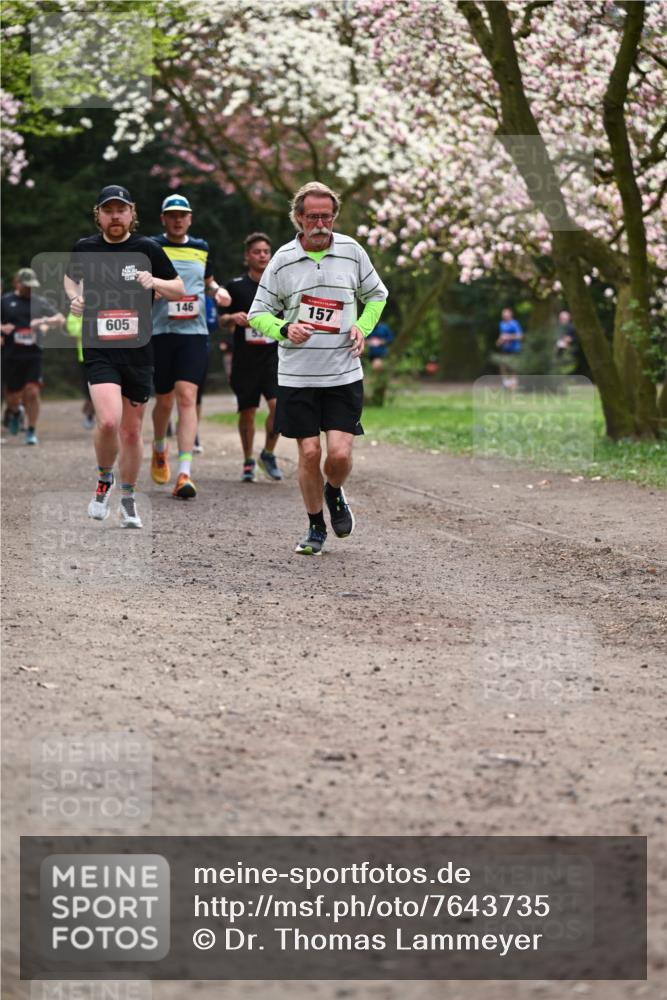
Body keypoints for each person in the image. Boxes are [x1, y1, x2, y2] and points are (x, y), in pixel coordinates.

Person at [248, 181, 389, 554]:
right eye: (313, 217)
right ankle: (315, 527)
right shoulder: (282, 260)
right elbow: (257, 314)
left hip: (343, 371)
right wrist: (283, 328)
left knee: (339, 456)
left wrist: (362, 326)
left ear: (334, 217)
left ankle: (334, 490)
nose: (320, 223)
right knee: (309, 453)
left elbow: (376, 294)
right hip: (297, 375)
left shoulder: (351, 252)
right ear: (298, 218)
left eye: (327, 216)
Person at [64, 184, 185, 528]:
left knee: (132, 433)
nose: (115, 216)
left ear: (131, 213)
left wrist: (154, 282)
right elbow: (69, 280)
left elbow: (178, 288)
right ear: (98, 215)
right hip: (99, 347)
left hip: (138, 351)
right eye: (108, 210)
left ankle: (128, 497)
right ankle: (105, 478)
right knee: (107, 421)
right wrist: (75, 298)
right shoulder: (85, 248)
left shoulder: (147, 248)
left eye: (121, 210)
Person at [149, 193, 231, 498]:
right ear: (163, 219)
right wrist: (152, 291)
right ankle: (159, 447)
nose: (177, 219)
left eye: (182, 214)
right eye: (171, 215)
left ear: (190, 218)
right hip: (159, 332)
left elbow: (207, 282)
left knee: (187, 396)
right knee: (165, 400)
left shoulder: (201, 247)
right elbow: (139, 281)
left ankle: (184, 473)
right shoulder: (152, 246)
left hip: (193, 334)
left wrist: (217, 291)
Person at [219, 232, 282, 482]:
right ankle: (248, 460)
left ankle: (268, 453)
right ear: (247, 256)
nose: (262, 256)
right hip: (245, 359)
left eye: (266, 251)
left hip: (273, 357)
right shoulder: (235, 286)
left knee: (279, 407)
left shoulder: (278, 285)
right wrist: (233, 318)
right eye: (257, 252)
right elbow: (221, 319)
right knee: (248, 411)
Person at [1, 268, 65, 445]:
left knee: (33, 391)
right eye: (26, 286)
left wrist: (43, 321)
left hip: (33, 354)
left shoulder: (39, 301)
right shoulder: (5, 301)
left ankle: (31, 430)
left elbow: (60, 318)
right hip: (11, 355)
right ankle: (15, 411)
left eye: (32, 286)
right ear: (17, 283)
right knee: (12, 395)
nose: (30, 290)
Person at [65, 310, 96, 429]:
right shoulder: (77, 308)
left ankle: (91, 412)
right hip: (86, 357)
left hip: (111, 356)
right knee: (91, 391)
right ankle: (90, 414)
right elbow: (73, 330)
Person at [495, 307, 523, 390]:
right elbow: (502, 335)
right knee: (503, 366)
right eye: (503, 314)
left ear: (510, 314)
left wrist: (508, 337)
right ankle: (506, 384)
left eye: (506, 314)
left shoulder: (514, 323)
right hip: (505, 349)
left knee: (513, 368)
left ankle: (514, 386)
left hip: (515, 349)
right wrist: (499, 341)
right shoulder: (502, 324)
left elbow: (520, 336)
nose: (505, 316)